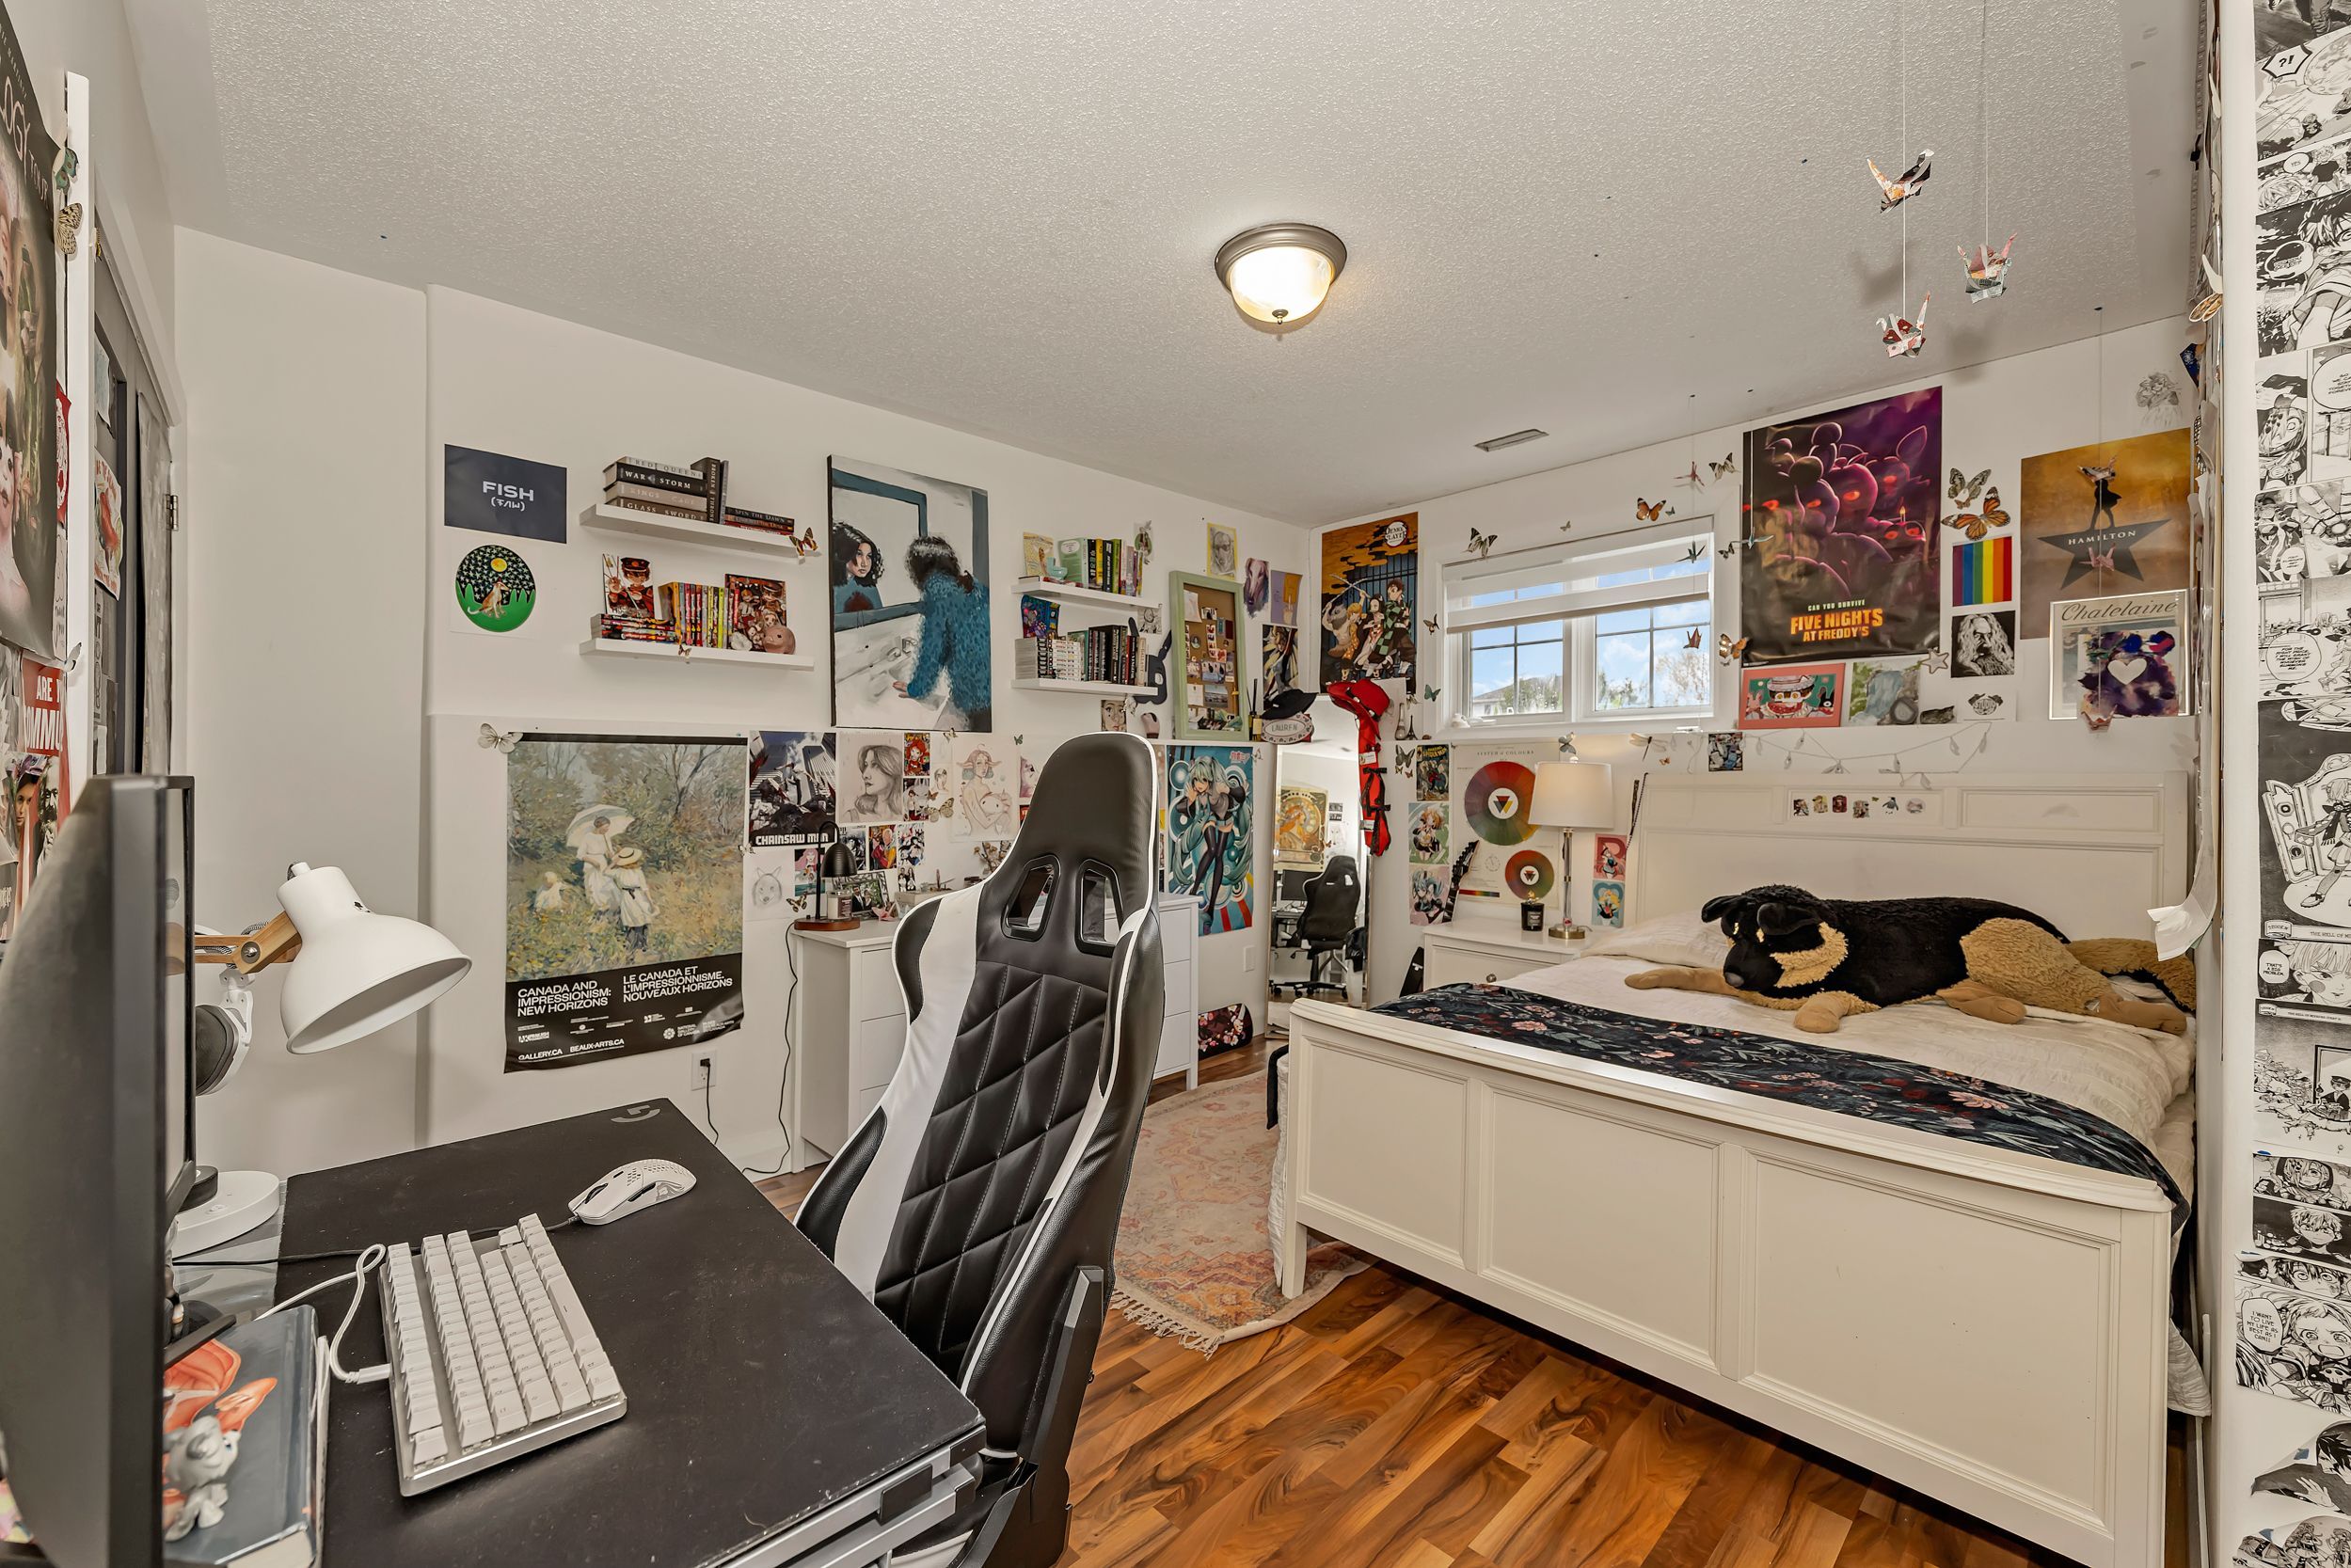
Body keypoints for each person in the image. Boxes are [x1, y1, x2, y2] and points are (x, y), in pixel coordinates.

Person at [896, 534, 992, 729]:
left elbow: (932, 652)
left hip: (972, 696)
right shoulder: (976, 588)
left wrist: (917, 688)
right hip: (994, 692)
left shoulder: (938, 594)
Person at [609, 846, 657, 956]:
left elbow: (606, 871)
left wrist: (613, 863)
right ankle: (637, 946)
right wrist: (651, 902)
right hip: (634, 897)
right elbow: (645, 888)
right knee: (636, 920)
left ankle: (640, 945)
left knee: (639, 919)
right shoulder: (629, 872)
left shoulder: (621, 871)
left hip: (633, 897)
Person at [832, 522, 886, 614]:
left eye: (869, 556)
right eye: (859, 554)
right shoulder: (831, 587)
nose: (865, 563)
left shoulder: (869, 587)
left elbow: (880, 617)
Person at [850, 741, 905, 820]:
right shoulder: (852, 817)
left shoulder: (904, 816)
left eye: (875, 765)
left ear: (893, 769)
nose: (864, 775)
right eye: (866, 765)